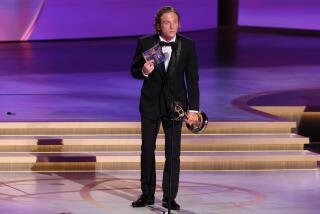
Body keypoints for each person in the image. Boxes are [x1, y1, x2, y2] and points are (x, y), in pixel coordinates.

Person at [130, 6, 200, 210]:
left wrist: (193, 109)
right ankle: (147, 194)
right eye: (167, 22)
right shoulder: (146, 43)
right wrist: (143, 71)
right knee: (147, 149)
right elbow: (134, 71)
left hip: (176, 107)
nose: (171, 26)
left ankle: (169, 197)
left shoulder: (187, 45)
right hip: (150, 104)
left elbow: (193, 79)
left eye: (175, 22)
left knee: (172, 152)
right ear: (158, 26)